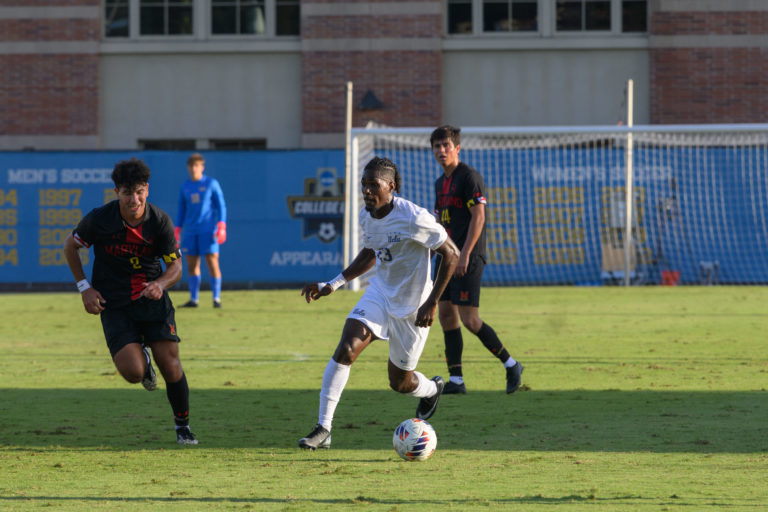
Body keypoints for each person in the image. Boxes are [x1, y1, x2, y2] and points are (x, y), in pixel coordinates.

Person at [297, 156, 460, 450]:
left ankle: (432, 389)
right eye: (364, 185)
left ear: (391, 187)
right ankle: (324, 428)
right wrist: (332, 284)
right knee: (347, 347)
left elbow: (452, 254)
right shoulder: (366, 216)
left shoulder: (413, 217)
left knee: (400, 383)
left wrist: (432, 302)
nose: (367, 191)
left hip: (414, 307)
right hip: (380, 294)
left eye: (374, 185)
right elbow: (371, 252)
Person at [63, 158, 198, 445]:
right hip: (114, 305)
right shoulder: (100, 219)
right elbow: (70, 246)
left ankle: (182, 426)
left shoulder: (159, 221)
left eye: (138, 191)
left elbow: (176, 268)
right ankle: (144, 362)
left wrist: (160, 284)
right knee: (133, 372)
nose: (133, 199)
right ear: (116, 192)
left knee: (171, 364)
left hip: (151, 300)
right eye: (127, 192)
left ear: (147, 189)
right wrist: (85, 287)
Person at [430, 125, 524, 395]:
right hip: (446, 257)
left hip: (467, 257)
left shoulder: (469, 177)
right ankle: (457, 381)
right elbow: (440, 221)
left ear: (457, 148)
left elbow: (479, 217)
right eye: (437, 146)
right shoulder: (440, 182)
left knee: (470, 319)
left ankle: (511, 364)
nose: (441, 150)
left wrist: (466, 254)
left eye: (446, 145)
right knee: (446, 315)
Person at [175, 153, 227, 308]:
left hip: (208, 230)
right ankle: (194, 299)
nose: (193, 168)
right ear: (187, 167)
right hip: (191, 231)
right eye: (191, 166)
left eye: (197, 165)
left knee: (212, 262)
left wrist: (222, 226)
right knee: (191, 264)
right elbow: (181, 208)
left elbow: (221, 206)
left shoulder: (211, 183)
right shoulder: (185, 186)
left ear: (202, 167)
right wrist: (177, 228)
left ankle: (216, 299)